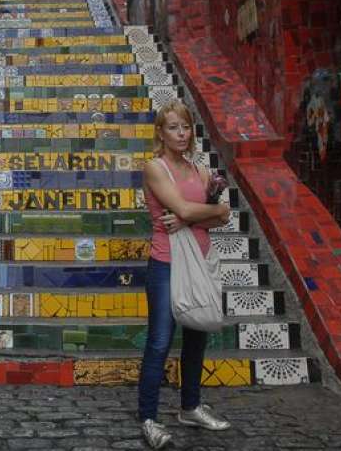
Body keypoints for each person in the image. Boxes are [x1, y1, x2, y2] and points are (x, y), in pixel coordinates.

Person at [138, 100, 232, 450]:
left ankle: (190, 406)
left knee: (197, 336)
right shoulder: (155, 167)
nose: (181, 133)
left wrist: (194, 216)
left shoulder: (200, 170)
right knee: (160, 340)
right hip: (166, 262)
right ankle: (148, 417)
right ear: (160, 133)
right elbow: (182, 209)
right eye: (173, 127)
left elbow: (221, 217)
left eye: (185, 126)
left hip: (202, 259)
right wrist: (203, 212)